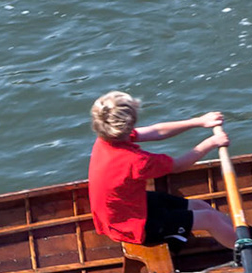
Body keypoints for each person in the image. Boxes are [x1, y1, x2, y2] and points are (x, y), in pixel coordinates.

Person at [87, 91, 238, 249]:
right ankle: (250, 251)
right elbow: (179, 166)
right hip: (134, 228)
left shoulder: (106, 139)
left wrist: (199, 122)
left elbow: (156, 131)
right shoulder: (137, 161)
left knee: (201, 206)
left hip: (125, 209)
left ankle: (246, 235)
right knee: (209, 219)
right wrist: (212, 142)